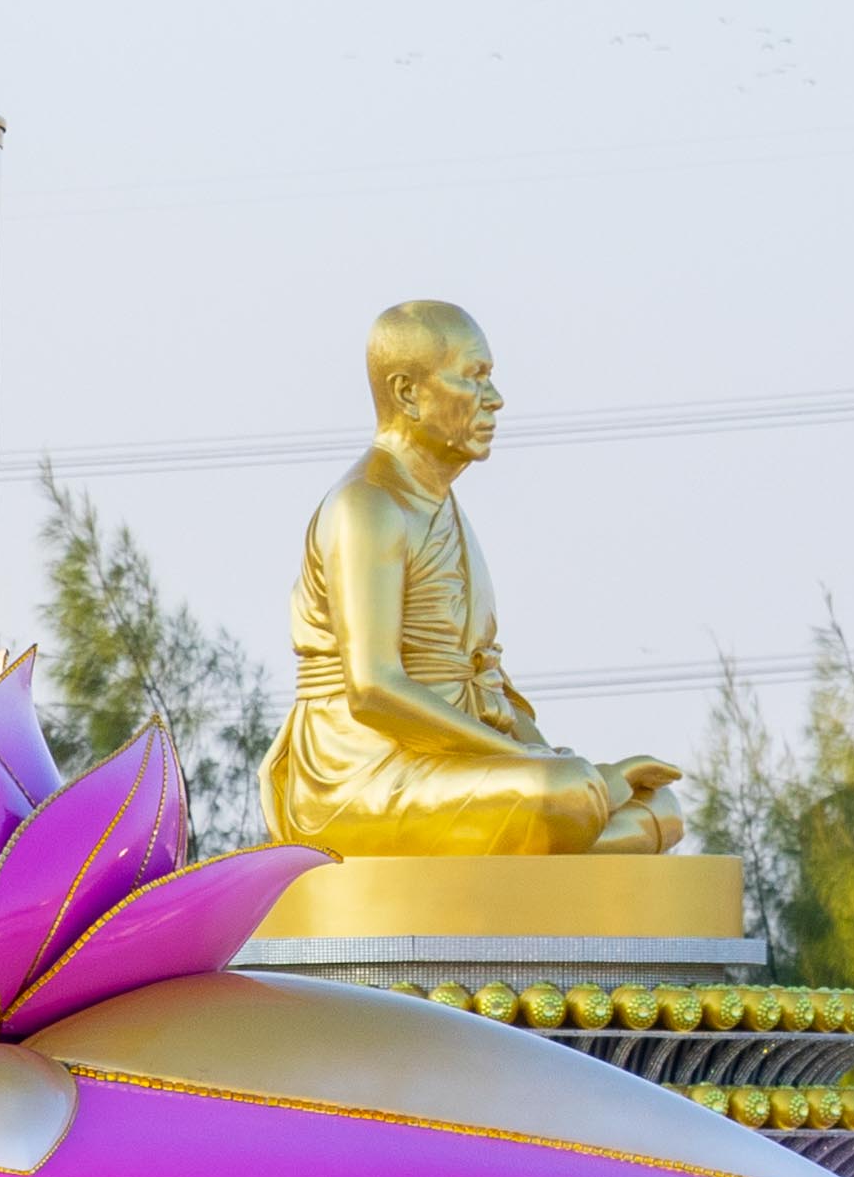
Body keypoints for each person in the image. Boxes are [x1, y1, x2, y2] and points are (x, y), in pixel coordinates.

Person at [257, 300, 691, 859]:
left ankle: (555, 842)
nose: (495, 399)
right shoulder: (367, 507)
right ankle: (561, 841)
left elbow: (490, 682)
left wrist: (558, 758)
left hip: (457, 766)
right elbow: (373, 690)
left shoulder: (442, 507)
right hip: (362, 776)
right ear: (409, 393)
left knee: (659, 809)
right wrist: (539, 768)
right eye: (475, 377)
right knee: (564, 794)